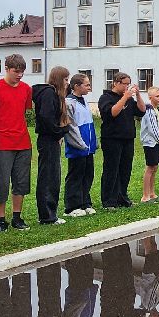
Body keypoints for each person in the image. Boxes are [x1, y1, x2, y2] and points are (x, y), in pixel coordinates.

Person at [0, 53, 33, 232]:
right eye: (16, 71)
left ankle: (17, 217)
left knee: (21, 182)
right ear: (6, 69)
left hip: (23, 142)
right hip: (2, 143)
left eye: (22, 72)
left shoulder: (26, 89)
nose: (19, 75)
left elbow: (24, 111)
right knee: (2, 182)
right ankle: (0, 219)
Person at [97, 72, 145, 209]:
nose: (127, 87)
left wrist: (138, 95)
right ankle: (109, 200)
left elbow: (141, 111)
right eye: (124, 84)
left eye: (128, 84)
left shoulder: (129, 99)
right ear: (116, 83)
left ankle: (122, 197)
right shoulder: (106, 97)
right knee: (111, 169)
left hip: (127, 138)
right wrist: (125, 97)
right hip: (112, 138)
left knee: (125, 169)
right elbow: (112, 112)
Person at [33, 66, 71, 225]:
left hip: (53, 138)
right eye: (66, 79)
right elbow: (45, 117)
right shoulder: (48, 93)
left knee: (54, 176)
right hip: (48, 139)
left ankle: (51, 212)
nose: (67, 83)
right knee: (48, 177)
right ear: (59, 79)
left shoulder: (56, 94)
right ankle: (46, 215)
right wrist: (60, 131)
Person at [63, 72, 97, 217]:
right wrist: (80, 143)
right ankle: (72, 206)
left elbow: (89, 123)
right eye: (87, 85)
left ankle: (85, 202)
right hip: (77, 146)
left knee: (88, 174)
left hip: (88, 147)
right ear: (76, 86)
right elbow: (71, 126)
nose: (89, 87)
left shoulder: (84, 101)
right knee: (75, 175)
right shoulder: (69, 103)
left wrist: (93, 142)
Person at [139, 85, 159, 203]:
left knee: (155, 167)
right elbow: (152, 128)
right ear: (150, 97)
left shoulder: (156, 110)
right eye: (157, 96)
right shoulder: (149, 109)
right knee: (150, 167)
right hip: (150, 142)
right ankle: (145, 195)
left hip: (156, 142)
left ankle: (152, 192)